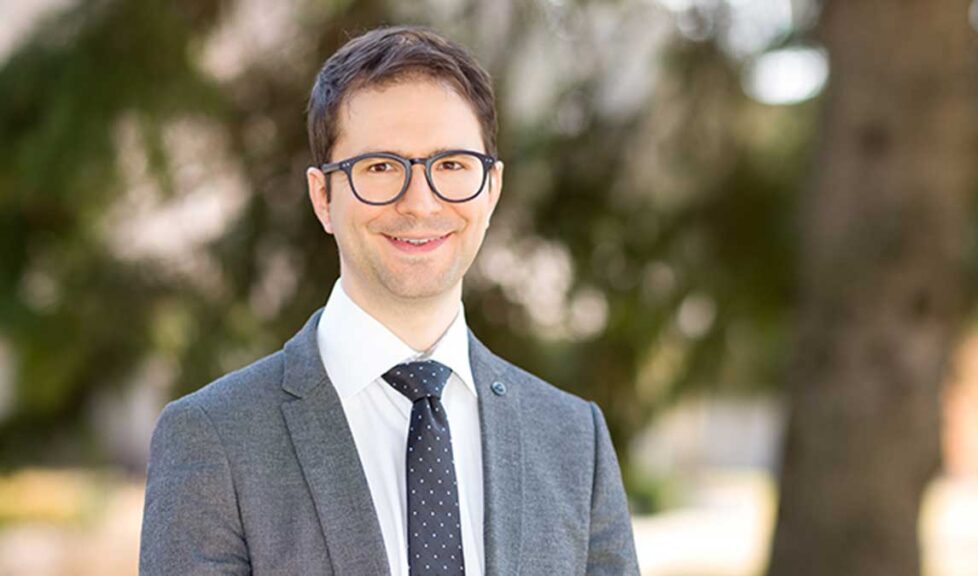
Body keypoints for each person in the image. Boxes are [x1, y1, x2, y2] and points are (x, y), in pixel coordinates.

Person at [139, 25, 639, 576]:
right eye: (380, 168)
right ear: (323, 197)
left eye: (451, 165)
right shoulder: (216, 439)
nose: (420, 203)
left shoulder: (574, 441)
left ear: (491, 190)